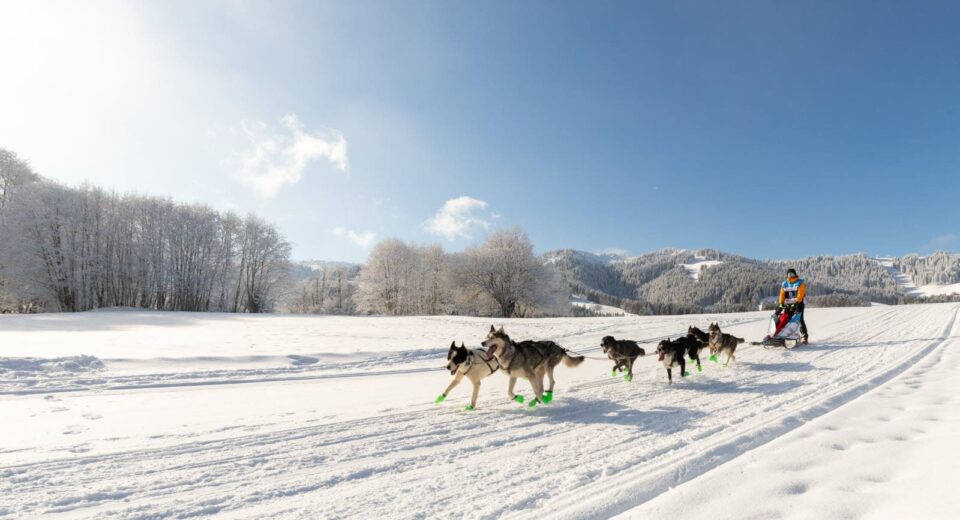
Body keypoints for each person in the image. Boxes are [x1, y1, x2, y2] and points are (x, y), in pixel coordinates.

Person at [777, 268, 808, 344]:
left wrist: (798, 301)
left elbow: (800, 294)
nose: (790, 276)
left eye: (792, 274)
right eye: (789, 274)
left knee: (799, 320)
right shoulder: (784, 284)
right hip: (788, 304)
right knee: (786, 318)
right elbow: (782, 294)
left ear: (795, 274)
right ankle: (784, 334)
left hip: (798, 304)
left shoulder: (799, 283)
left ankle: (804, 336)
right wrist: (781, 304)